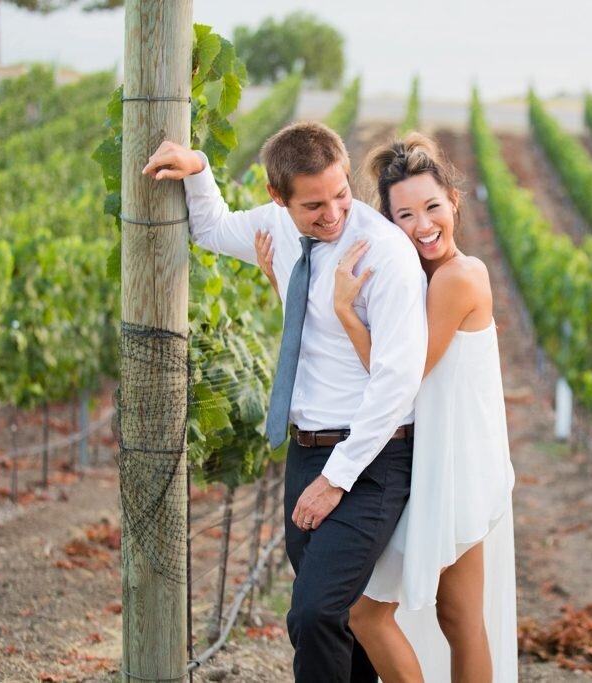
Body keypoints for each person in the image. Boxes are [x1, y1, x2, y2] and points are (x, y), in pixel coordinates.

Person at [142, 122, 428, 683]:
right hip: (305, 452)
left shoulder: (385, 255)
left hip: (371, 461)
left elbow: (397, 381)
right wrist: (198, 167)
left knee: (315, 613)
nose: (333, 214)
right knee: (341, 620)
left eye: (341, 194)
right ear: (279, 197)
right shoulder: (276, 226)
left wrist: (338, 478)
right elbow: (212, 228)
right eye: (314, 205)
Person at [256, 132, 517, 683]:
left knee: (403, 613)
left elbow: (398, 377)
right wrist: (293, 286)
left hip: (456, 463)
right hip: (431, 455)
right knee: (445, 614)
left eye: (432, 207)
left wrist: (348, 314)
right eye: (404, 215)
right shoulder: (416, 274)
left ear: (454, 200)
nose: (422, 225)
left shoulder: (456, 277)